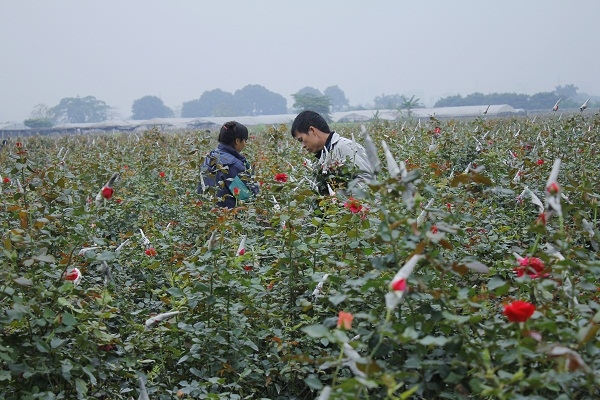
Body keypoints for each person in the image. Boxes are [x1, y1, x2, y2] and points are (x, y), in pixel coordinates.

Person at [290, 110, 374, 196]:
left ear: (312, 130)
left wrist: (346, 201)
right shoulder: (323, 155)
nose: (303, 146)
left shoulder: (345, 147)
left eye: (301, 140)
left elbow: (368, 182)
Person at [198, 121, 258, 208]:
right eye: (245, 140)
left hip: (208, 212)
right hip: (228, 216)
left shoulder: (208, 157)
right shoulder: (232, 165)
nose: (245, 144)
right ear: (237, 141)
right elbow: (245, 198)